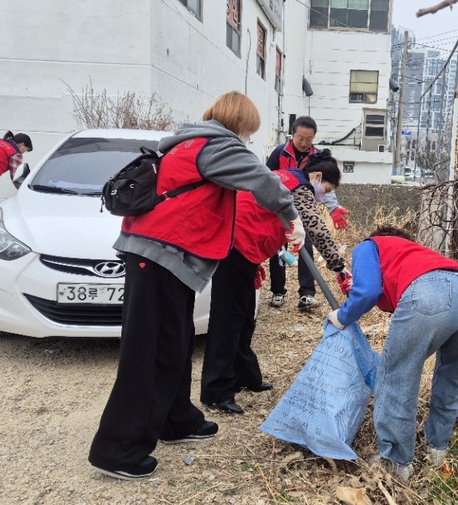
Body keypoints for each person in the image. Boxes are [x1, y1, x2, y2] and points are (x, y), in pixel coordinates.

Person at [88, 91, 305, 481]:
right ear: (239, 122)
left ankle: (177, 420)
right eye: (249, 130)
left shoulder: (188, 143)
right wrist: (292, 218)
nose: (249, 138)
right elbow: (263, 179)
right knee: (149, 351)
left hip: (162, 254)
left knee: (175, 342)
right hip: (159, 254)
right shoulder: (217, 145)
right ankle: (118, 449)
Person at [327, 225, 458, 482]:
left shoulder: (370, 245)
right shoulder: (419, 254)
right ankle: (437, 451)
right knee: (452, 377)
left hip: (433, 295)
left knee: (397, 377)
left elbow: (368, 292)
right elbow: (387, 294)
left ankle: (396, 463)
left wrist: (341, 316)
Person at [201, 150, 350, 414]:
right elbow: (316, 228)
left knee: (244, 318)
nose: (323, 197)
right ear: (316, 177)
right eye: (326, 190)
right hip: (235, 248)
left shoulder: (284, 176)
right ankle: (216, 391)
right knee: (227, 322)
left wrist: (256, 260)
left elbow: (264, 215)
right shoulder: (300, 187)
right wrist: (339, 267)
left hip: (243, 249)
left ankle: (245, 374)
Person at [265, 116, 350, 311]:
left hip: (295, 210)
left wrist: (333, 208)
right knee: (278, 249)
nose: (304, 143)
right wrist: (340, 268)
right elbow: (319, 232)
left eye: (309, 139)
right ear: (292, 135)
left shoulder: (317, 158)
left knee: (306, 247)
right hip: (279, 211)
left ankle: (307, 294)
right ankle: (278, 291)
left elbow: (325, 187)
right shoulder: (281, 154)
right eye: (300, 138)